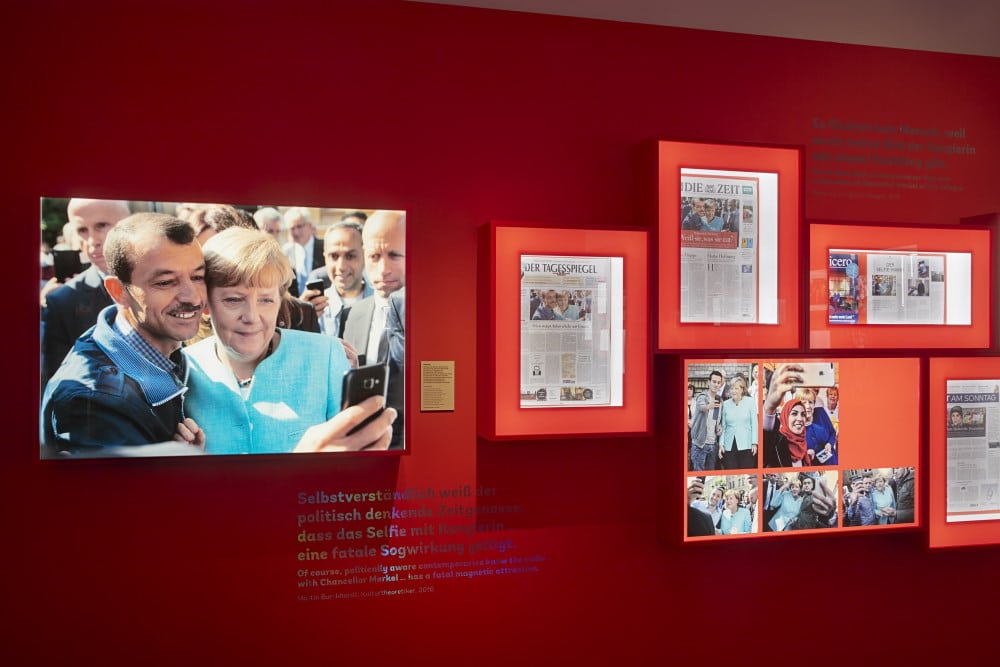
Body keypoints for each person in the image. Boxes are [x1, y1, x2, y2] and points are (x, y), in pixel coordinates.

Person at [182, 227, 395, 454]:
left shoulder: (326, 355)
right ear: (205, 303)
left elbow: (355, 462)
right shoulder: (183, 368)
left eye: (266, 300)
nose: (252, 316)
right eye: (234, 300)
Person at [41, 213, 207, 456]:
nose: (192, 297)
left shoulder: (163, 350)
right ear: (119, 292)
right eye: (165, 282)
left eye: (198, 277)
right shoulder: (93, 400)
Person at [41, 199, 132, 388]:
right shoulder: (62, 301)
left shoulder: (169, 281)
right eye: (82, 230)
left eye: (102, 226)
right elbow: (59, 386)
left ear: (129, 225)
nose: (92, 241)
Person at [340, 210, 406, 366]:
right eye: (374, 256)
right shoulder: (353, 315)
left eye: (394, 255)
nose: (383, 269)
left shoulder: (433, 317)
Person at [303, 221, 374, 338]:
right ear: (325, 258)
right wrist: (301, 321)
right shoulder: (314, 309)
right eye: (334, 256)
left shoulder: (383, 305)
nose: (341, 266)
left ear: (365, 256)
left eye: (350, 256)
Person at [762, 363, 811, 467]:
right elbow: (764, 449)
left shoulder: (804, 445)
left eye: (803, 414)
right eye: (794, 414)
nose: (800, 418)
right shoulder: (777, 444)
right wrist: (769, 407)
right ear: (785, 418)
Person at [717, 375, 758, 470]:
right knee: (731, 473)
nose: (733, 391)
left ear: (742, 389)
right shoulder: (726, 404)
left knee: (746, 473)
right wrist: (721, 445)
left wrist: (754, 443)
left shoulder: (750, 402)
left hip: (746, 444)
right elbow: (723, 426)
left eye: (736, 388)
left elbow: (754, 424)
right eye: (731, 388)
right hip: (729, 446)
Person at [283, 207, 324, 297]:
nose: (296, 232)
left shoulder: (324, 247)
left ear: (309, 226)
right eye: (292, 228)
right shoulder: (285, 252)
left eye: (299, 226)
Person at [689, 370, 724, 471]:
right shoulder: (702, 397)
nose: (716, 384)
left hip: (712, 445)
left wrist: (718, 427)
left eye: (718, 382)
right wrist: (709, 406)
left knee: (710, 476)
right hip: (700, 444)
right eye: (714, 381)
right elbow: (702, 407)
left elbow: (715, 419)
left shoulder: (719, 400)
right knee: (699, 476)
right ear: (709, 382)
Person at [795, 387, 838, 465]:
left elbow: (832, 432)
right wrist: (806, 454)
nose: (808, 406)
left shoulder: (821, 412)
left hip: (833, 460)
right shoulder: (796, 426)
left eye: (810, 402)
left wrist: (829, 443)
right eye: (804, 403)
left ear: (814, 403)